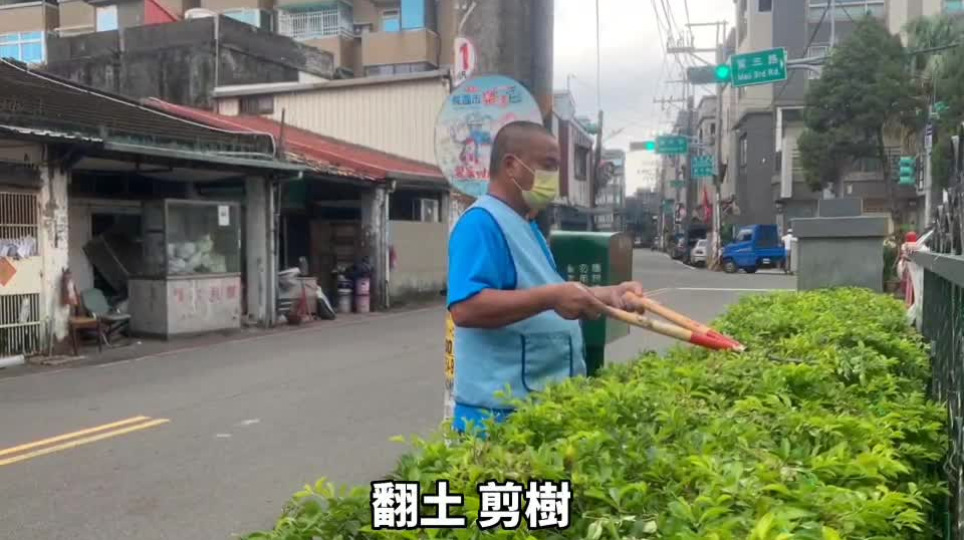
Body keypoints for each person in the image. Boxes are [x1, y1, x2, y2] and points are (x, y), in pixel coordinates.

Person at [446, 121, 645, 435]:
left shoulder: (525, 225)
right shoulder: (481, 223)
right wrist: (552, 298)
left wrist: (610, 295)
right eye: (548, 165)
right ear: (511, 166)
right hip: (498, 415)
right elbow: (466, 308)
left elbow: (547, 289)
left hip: (536, 407)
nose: (554, 178)